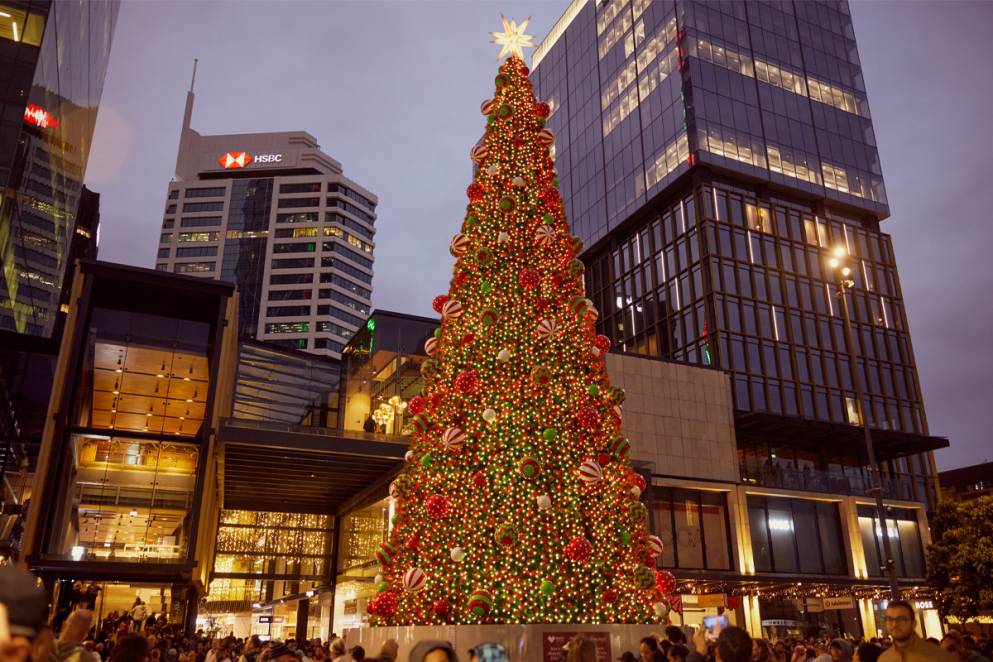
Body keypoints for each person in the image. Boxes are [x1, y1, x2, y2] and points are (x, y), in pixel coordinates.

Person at [878, 600, 956, 662]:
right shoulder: (884, 658)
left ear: (914, 623)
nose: (894, 624)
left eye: (901, 619)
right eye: (890, 619)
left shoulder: (938, 656)